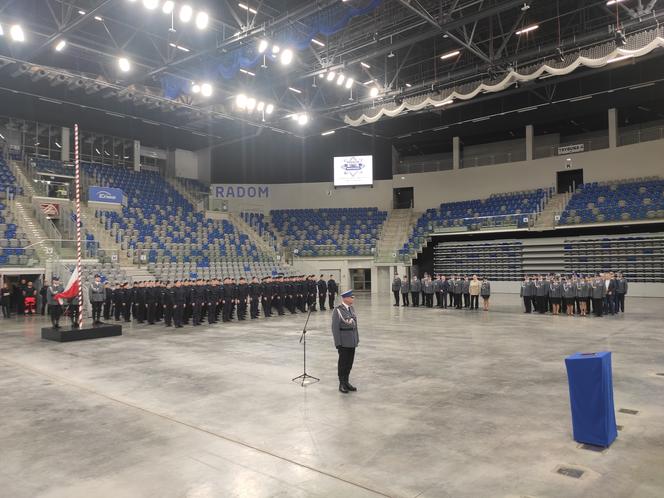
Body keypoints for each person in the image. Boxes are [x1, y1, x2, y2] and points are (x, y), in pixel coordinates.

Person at [331, 290, 359, 394]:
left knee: (349, 363)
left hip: (352, 341)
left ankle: (346, 382)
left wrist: (357, 338)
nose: (353, 299)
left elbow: (355, 326)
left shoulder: (351, 308)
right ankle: (341, 383)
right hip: (343, 342)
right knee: (343, 363)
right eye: (351, 297)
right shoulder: (337, 310)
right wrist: (338, 343)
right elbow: (335, 328)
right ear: (345, 298)